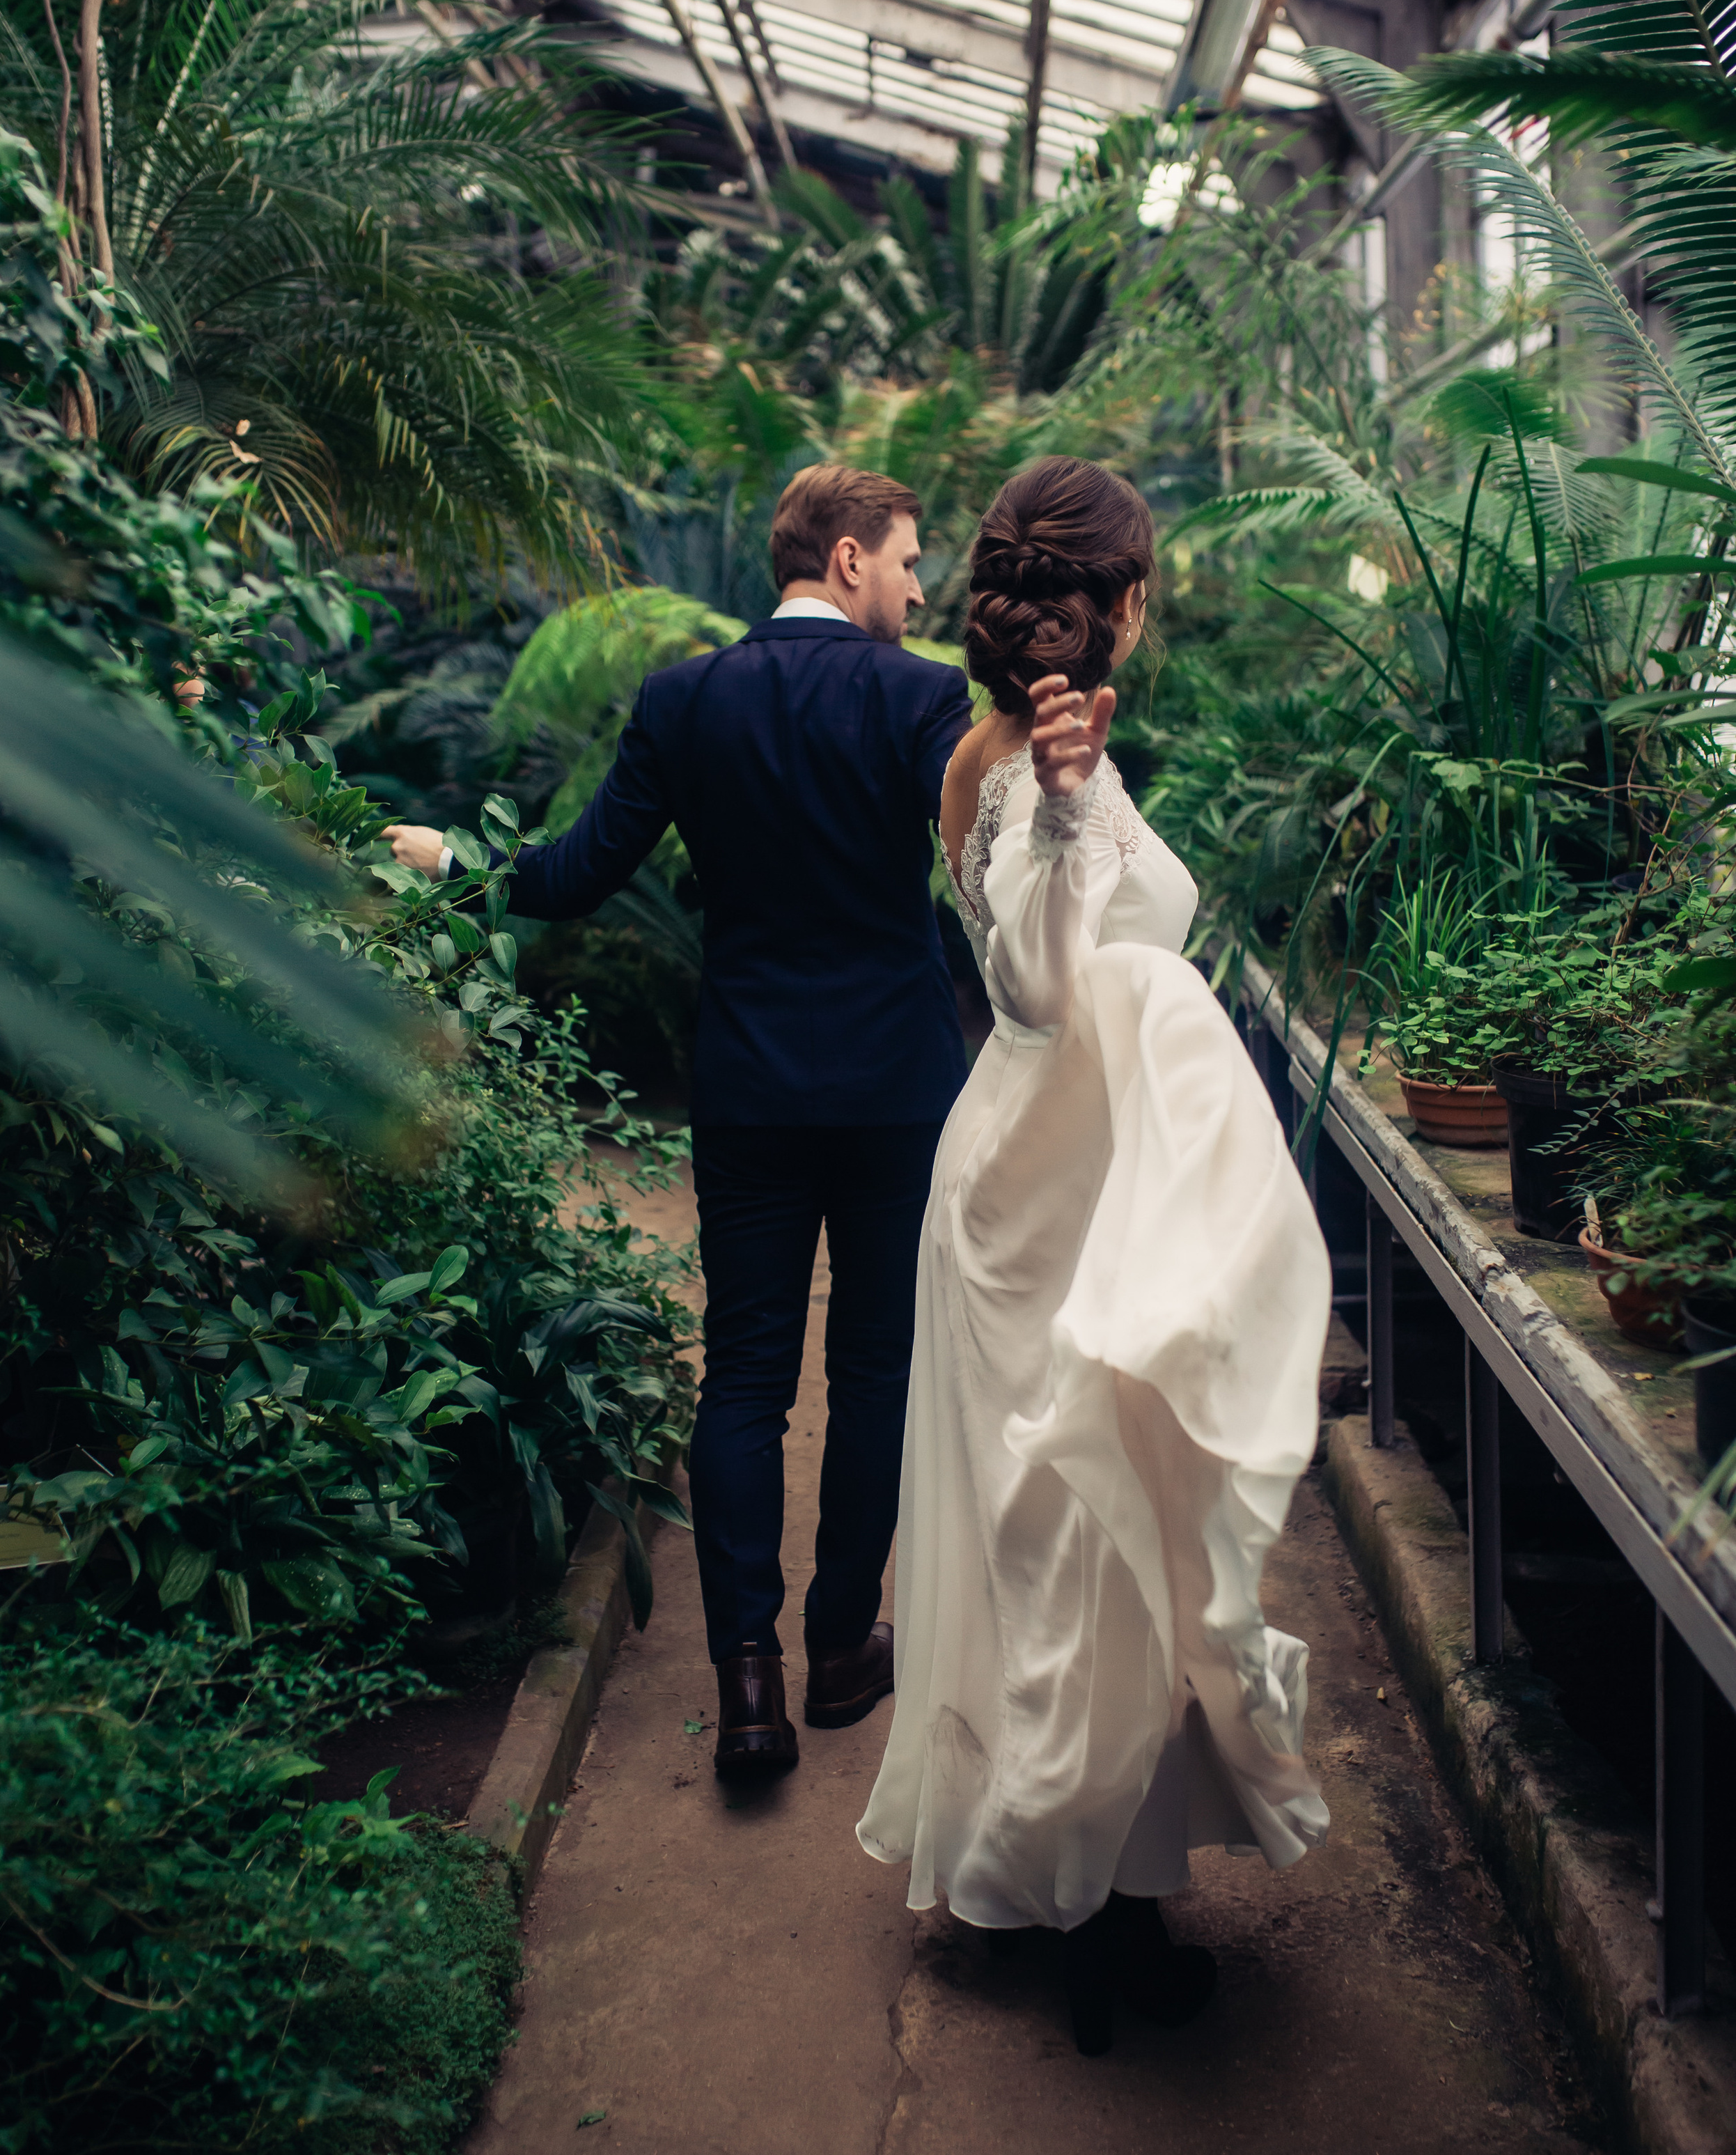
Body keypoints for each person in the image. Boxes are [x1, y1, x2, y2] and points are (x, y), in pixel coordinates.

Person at [380, 466, 971, 1773]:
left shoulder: (685, 699)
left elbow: (576, 874)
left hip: (750, 1085)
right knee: (878, 1369)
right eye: (912, 562)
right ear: (850, 557)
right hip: (894, 1091)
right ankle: (837, 1650)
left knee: (748, 1374)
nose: (925, 590)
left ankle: (745, 1687)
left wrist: (455, 862)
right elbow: (986, 858)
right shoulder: (925, 695)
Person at [855, 456, 1331, 2055]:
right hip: (1037, 1213)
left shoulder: (1058, 753)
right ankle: (1088, 1920)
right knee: (1069, 1549)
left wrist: (1080, 798)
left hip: (1084, 1186)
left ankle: (1090, 1882)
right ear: (1119, 600)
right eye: (1146, 581)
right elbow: (1043, 986)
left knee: (1098, 1546)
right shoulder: (1010, 768)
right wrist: (1061, 817)